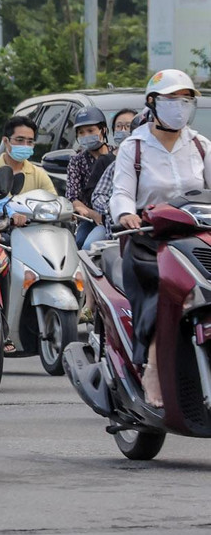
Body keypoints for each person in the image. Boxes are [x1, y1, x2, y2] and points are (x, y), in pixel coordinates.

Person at [111, 69, 211, 409]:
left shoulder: (200, 145)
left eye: (185, 101)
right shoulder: (134, 147)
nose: (179, 108)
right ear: (152, 103)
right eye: (171, 100)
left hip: (197, 237)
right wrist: (126, 213)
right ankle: (153, 367)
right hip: (149, 239)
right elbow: (122, 192)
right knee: (162, 295)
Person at [86, 109, 140, 246]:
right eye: (119, 126)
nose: (123, 131)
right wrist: (116, 209)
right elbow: (97, 195)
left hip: (156, 231)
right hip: (116, 231)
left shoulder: (177, 161)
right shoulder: (114, 164)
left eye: (128, 127)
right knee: (89, 247)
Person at [65, 106, 113, 247]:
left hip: (115, 216)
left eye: (90, 131)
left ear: (103, 130)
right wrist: (94, 215)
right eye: (81, 133)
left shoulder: (118, 155)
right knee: (79, 245)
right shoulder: (77, 161)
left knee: (91, 246)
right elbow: (73, 197)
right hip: (89, 219)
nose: (86, 136)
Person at [0, 115, 58, 199]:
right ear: (6, 141)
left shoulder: (39, 175)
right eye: (20, 140)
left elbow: (54, 203)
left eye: (30, 141)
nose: (25, 145)